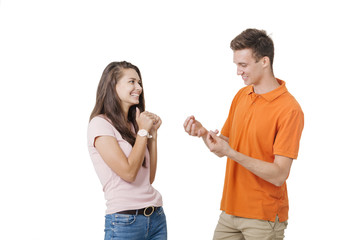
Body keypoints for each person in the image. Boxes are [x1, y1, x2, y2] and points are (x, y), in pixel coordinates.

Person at [184, 29, 304, 240]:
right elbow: (225, 147)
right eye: (236, 65)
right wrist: (204, 134)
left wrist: (230, 152)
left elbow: (279, 175)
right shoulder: (241, 95)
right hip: (230, 211)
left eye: (244, 65)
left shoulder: (289, 109)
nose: (238, 72)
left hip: (263, 217)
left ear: (264, 61)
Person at [87, 61, 167, 240]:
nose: (138, 87)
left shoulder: (135, 125)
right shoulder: (100, 124)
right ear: (113, 86)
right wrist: (143, 132)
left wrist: (152, 136)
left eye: (139, 83)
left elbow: (149, 178)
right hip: (125, 221)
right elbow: (129, 173)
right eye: (132, 82)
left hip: (156, 217)